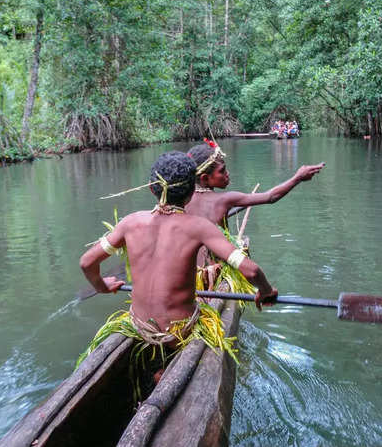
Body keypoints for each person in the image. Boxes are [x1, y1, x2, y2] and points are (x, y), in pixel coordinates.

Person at [78, 151, 278, 366]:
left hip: (140, 327)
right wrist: (266, 292)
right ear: (192, 192)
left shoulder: (130, 223)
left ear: (150, 188)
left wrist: (101, 286)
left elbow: (87, 262)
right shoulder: (199, 227)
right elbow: (252, 271)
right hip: (181, 331)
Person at [185, 140, 325, 228]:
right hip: (212, 269)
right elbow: (270, 197)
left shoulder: (180, 200)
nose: (227, 173)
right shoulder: (224, 200)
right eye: (222, 171)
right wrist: (298, 177)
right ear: (204, 178)